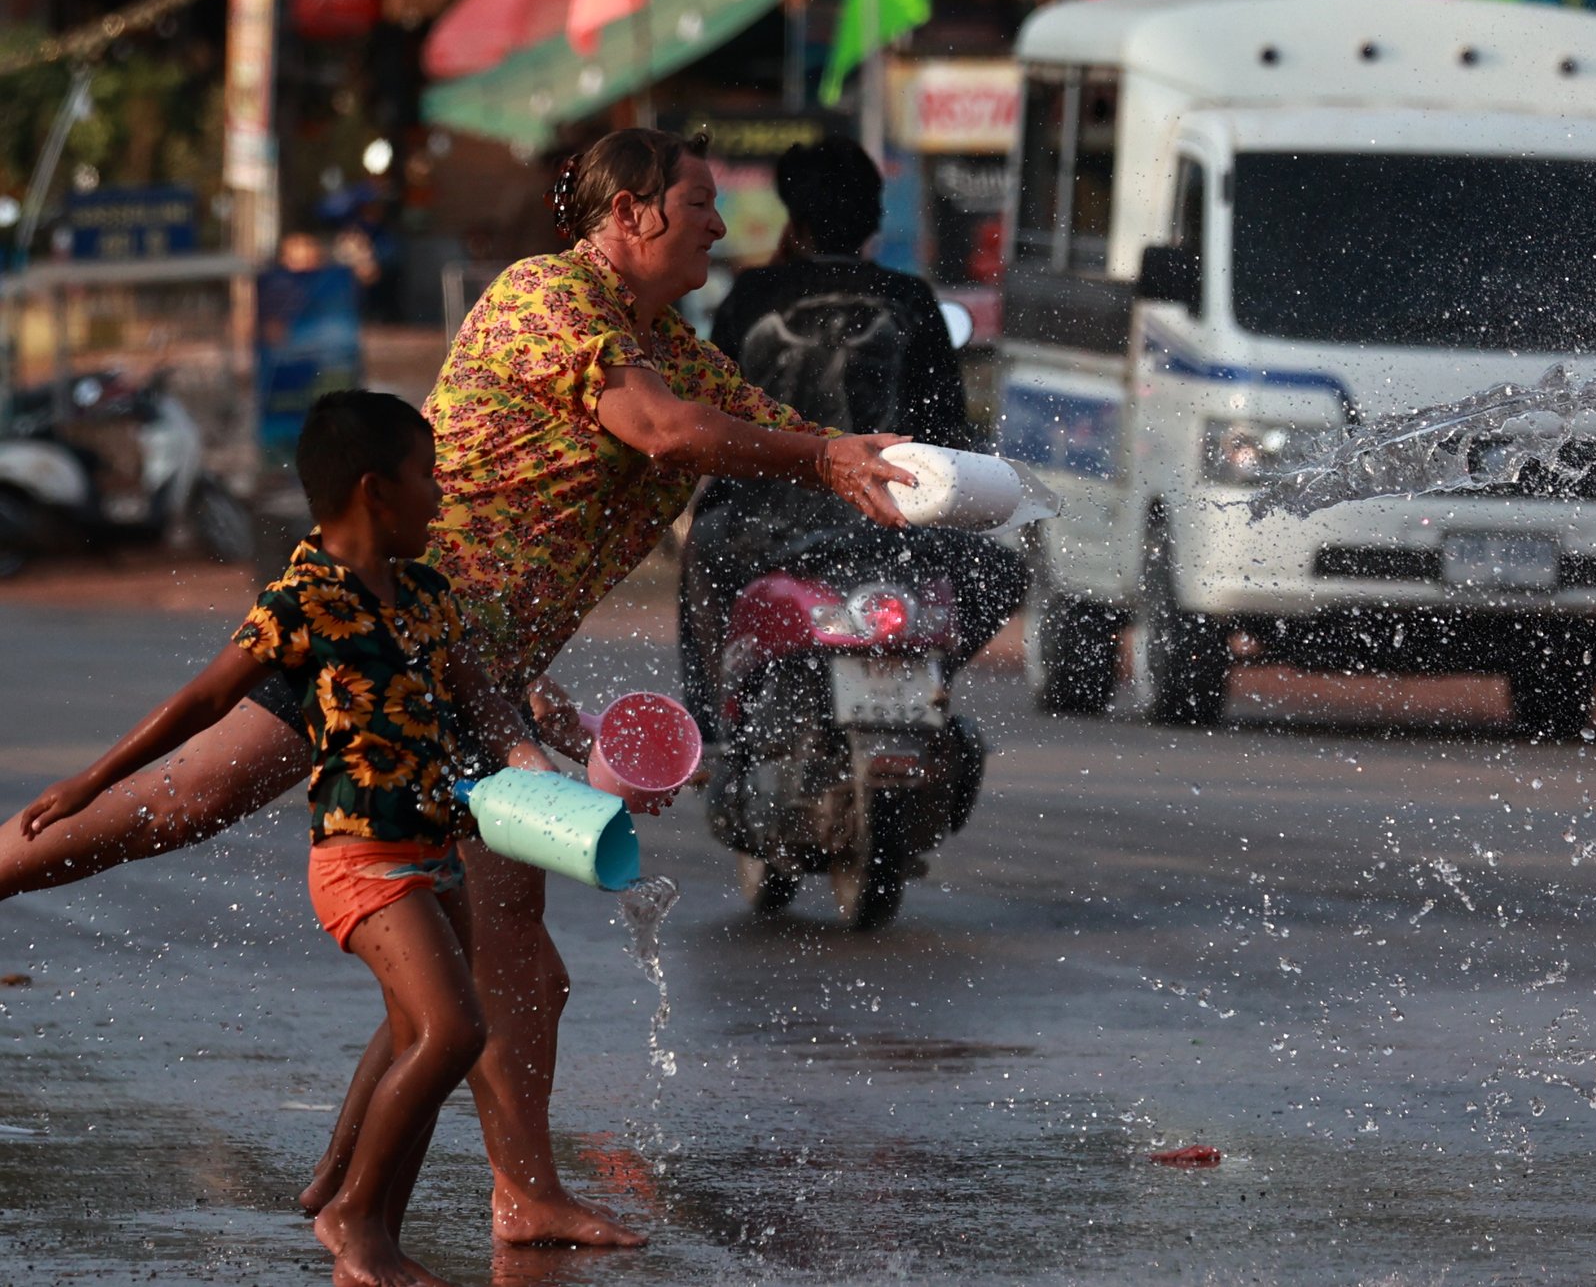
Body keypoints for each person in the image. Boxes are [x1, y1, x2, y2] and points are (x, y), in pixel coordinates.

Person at [0, 127, 913, 1248]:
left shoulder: (661, 340)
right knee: (172, 805)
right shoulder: (550, 298)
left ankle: (511, 1189)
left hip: (472, 671)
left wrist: (887, 463)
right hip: (379, 638)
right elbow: (670, 435)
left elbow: (768, 426)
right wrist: (825, 460)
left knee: (510, 940)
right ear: (628, 212)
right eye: (700, 202)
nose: (721, 226)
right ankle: (420, 1197)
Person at [17, 391, 547, 1287]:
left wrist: (522, 750)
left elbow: (480, 691)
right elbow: (201, 702)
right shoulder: (300, 602)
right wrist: (90, 782)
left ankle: (370, 1220)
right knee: (452, 1033)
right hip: (359, 856)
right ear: (376, 492)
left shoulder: (427, 593)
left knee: (423, 1029)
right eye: (427, 476)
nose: (440, 494)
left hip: (434, 844)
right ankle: (350, 1217)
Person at [678, 136, 1028, 739]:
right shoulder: (911, 299)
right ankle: (929, 669)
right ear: (873, 217)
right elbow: (947, 431)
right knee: (1005, 572)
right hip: (895, 524)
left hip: (763, 527)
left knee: (701, 561)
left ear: (796, 216)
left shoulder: (751, 297)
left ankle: (714, 731)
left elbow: (712, 417)